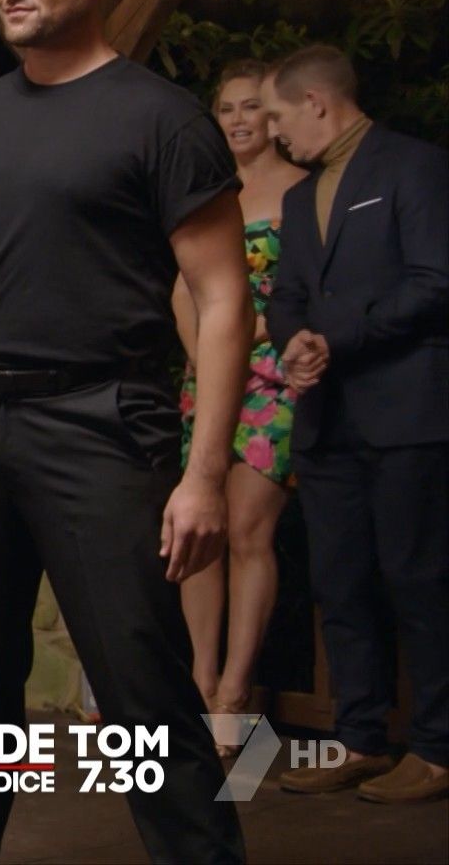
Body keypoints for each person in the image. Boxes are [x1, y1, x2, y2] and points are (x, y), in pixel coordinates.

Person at [0, 0, 249, 863]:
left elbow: (223, 299)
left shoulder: (161, 118)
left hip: (101, 423)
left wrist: (206, 473)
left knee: (142, 691)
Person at [264, 45, 449, 805]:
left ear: (316, 101)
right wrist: (294, 343)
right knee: (339, 586)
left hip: (407, 413)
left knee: (420, 583)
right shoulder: (299, 198)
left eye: (276, 115)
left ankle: (436, 750)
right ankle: (361, 738)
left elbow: (435, 281)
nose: (273, 132)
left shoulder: (416, 166)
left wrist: (335, 339)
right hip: (327, 419)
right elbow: (285, 296)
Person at [172, 60, 307, 749]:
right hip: (209, 374)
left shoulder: (306, 191)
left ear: (276, 116)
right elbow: (181, 288)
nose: (237, 120)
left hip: (276, 374)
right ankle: (197, 683)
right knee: (200, 530)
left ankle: (234, 691)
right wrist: (203, 356)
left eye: (251, 106)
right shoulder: (208, 189)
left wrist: (244, 338)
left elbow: (311, 289)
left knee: (250, 530)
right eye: (225, 109)